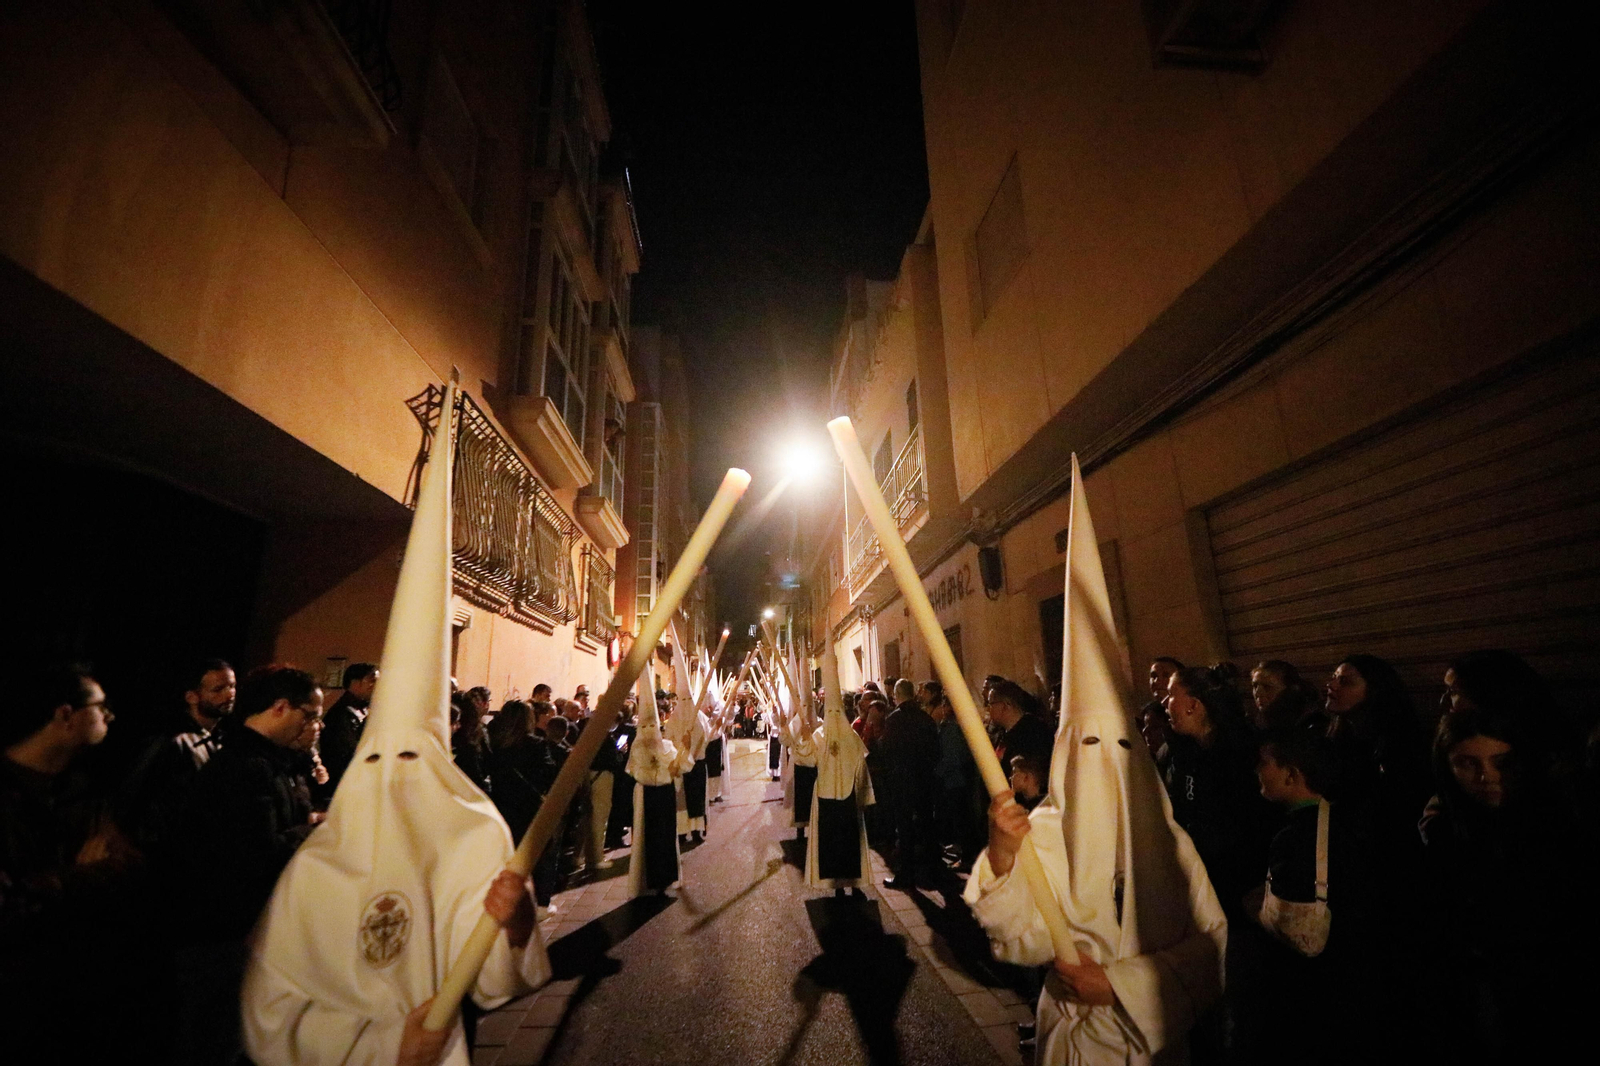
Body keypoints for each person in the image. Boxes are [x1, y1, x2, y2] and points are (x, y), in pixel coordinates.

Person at [1415, 705, 1593, 1061]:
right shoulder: (1443, 829)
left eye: (1503, 762)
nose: (1487, 776)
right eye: (1467, 763)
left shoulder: (1561, 822)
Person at [171, 665, 323, 1065]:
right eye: (309, 715)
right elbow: (257, 853)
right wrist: (317, 831)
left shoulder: (275, 762)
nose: (314, 725)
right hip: (224, 933)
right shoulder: (242, 767)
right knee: (219, 1043)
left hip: (250, 929)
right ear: (280, 707)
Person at [1, 664, 142, 1057]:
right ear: (65, 715)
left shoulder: (85, 789)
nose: (109, 715)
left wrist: (51, 884)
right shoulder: (8, 795)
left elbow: (130, 866)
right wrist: (80, 876)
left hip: (73, 993)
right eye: (100, 705)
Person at [1230, 726, 1366, 1064]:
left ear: (1291, 775)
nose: (1257, 770)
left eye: (1265, 763)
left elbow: (1284, 919)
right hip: (1343, 982)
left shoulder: (1294, 836)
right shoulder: (1344, 822)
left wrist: (1253, 907)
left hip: (1302, 987)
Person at [1161, 663, 1277, 915]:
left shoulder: (1244, 753)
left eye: (1171, 695)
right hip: (1195, 877)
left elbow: (1255, 823)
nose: (1164, 703)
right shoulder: (1177, 752)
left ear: (1194, 705)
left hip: (1239, 884)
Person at [120, 658, 236, 855]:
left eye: (232, 686)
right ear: (192, 697)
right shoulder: (170, 741)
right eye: (218, 689)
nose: (229, 694)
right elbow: (133, 797)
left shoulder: (220, 739)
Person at [805, 657, 875, 899]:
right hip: (836, 796)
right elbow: (807, 758)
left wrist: (863, 795)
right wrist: (803, 739)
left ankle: (848, 884)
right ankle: (843, 884)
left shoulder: (833, 736)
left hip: (842, 796)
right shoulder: (824, 735)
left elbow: (860, 767)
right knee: (839, 841)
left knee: (843, 840)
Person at [880, 678, 939, 889]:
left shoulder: (894, 720)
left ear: (897, 696)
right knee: (927, 825)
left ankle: (906, 874)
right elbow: (936, 750)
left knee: (904, 829)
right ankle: (933, 871)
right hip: (924, 781)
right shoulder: (926, 719)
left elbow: (886, 750)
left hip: (902, 782)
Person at [626, 677, 681, 898]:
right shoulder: (636, 748)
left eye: (653, 726)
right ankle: (646, 881)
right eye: (645, 726)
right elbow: (634, 771)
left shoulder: (667, 746)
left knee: (665, 837)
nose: (649, 730)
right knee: (645, 839)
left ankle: (664, 879)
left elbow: (677, 768)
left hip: (664, 795)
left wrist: (683, 750)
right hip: (645, 795)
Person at [928, 681, 979, 866]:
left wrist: (936, 773)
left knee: (961, 820)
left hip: (955, 781)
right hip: (960, 779)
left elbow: (952, 757)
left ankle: (966, 858)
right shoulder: (960, 724)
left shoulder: (951, 728)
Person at [320, 662, 378, 793]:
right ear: (355, 683)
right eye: (372, 680)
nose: (377, 686)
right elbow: (349, 752)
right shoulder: (341, 714)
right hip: (343, 784)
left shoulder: (364, 710)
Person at [988, 680, 1053, 773]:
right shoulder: (999, 734)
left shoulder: (1035, 733)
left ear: (1006, 705)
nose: (988, 709)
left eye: (990, 704)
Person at [1248, 659, 1318, 731]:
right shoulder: (1257, 722)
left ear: (1290, 690)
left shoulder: (1310, 724)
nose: (1257, 693)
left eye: (1267, 687)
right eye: (1255, 686)